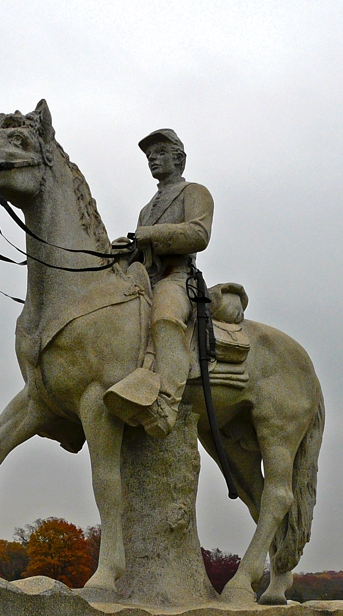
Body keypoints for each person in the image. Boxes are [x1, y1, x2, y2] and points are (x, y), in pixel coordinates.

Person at [103, 129, 214, 437]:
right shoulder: (145, 208)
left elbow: (198, 234)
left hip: (176, 277)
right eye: (149, 154)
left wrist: (149, 235)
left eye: (160, 152)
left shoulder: (194, 192)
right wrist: (126, 249)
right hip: (144, 279)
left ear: (179, 159)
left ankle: (166, 404)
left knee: (165, 319)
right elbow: (142, 248)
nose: (152, 158)